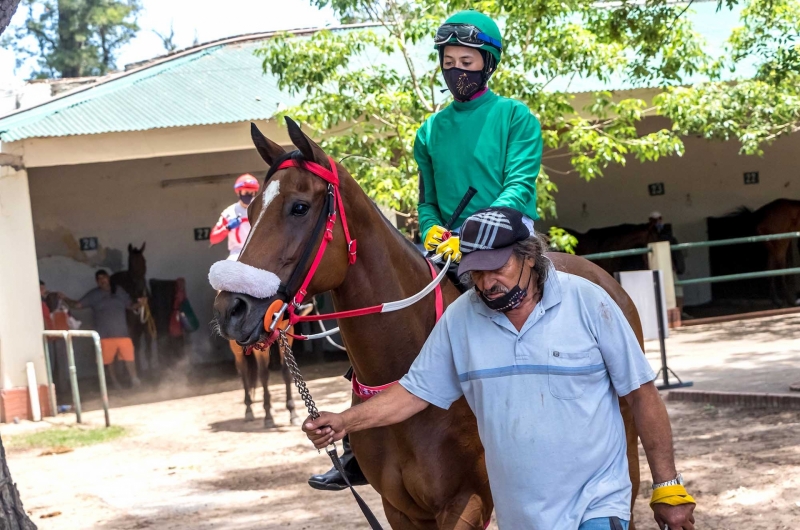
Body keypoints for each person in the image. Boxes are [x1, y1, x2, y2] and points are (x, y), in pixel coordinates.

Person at [304, 208, 697, 530]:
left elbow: (642, 394)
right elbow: (414, 392)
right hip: (521, 517)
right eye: (476, 271)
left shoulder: (589, 302)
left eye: (497, 268)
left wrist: (668, 486)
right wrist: (346, 421)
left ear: (529, 256)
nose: (486, 282)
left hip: (595, 502)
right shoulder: (460, 319)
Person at [308, 8, 543, 491]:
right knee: (384, 323)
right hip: (447, 245)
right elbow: (429, 201)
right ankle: (359, 448)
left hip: (508, 233)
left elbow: (518, 186)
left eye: (467, 61)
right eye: (449, 60)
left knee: (513, 310)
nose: (457, 69)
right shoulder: (429, 132)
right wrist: (435, 231)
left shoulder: (515, 117)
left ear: (488, 64)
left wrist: (475, 231)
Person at [61, 270, 144, 389]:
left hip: (122, 333)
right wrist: (65, 298)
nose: (102, 280)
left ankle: (135, 380)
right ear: (97, 282)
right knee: (108, 362)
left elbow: (130, 305)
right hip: (105, 335)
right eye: (99, 279)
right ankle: (115, 383)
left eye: (104, 277)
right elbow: (77, 305)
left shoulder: (119, 291)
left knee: (129, 358)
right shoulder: (93, 295)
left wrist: (140, 304)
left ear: (108, 278)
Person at [210, 174, 260, 261]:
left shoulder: (261, 209)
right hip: (237, 253)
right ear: (238, 192)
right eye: (245, 192)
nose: (249, 196)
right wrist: (228, 227)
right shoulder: (229, 212)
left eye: (251, 192)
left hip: (259, 251)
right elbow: (213, 239)